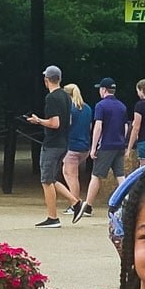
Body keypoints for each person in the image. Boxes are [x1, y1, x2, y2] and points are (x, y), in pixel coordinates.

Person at [27, 65, 74, 227]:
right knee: (52, 178)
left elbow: (55, 123)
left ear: (46, 80)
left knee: (46, 180)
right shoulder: (67, 97)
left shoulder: (52, 98)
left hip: (52, 143)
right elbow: (68, 121)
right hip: (64, 142)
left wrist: (38, 120)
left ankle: (52, 217)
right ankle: (76, 202)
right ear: (59, 79)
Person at [82, 77, 133, 218]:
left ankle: (88, 205)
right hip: (119, 144)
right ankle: (128, 202)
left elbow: (98, 126)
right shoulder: (122, 106)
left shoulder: (101, 106)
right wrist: (123, 140)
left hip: (106, 145)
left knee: (97, 175)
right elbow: (126, 126)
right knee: (120, 175)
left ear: (104, 90)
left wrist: (93, 147)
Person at [62, 83, 94, 220]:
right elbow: (90, 126)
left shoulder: (69, 108)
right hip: (85, 146)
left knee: (72, 176)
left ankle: (75, 203)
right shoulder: (87, 108)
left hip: (72, 146)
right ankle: (74, 200)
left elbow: (66, 125)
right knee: (67, 172)